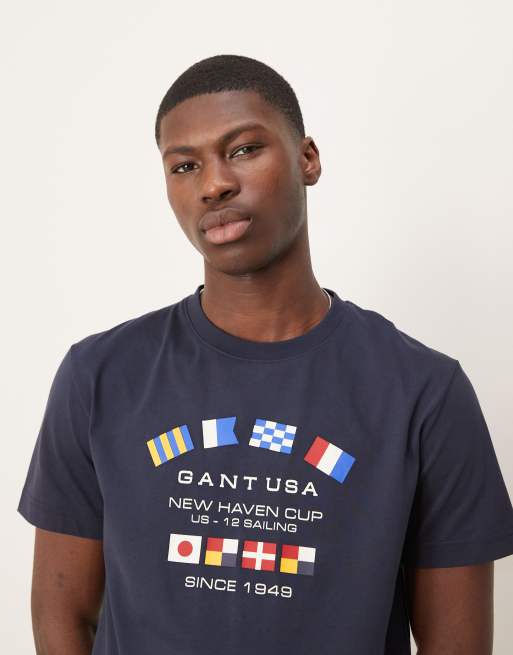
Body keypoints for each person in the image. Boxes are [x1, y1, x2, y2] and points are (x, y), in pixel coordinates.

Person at [17, 53, 513, 655]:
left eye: (245, 149)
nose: (214, 184)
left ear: (308, 159)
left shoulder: (424, 392)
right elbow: (62, 614)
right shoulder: (98, 376)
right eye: (185, 165)